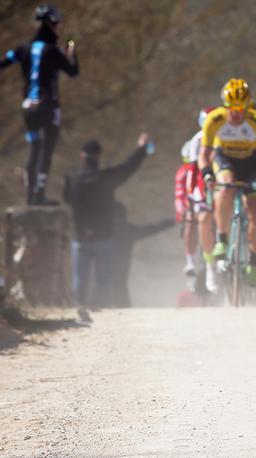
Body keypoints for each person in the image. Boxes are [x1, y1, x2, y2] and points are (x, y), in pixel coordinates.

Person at [63, 133, 153, 321]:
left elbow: (66, 199)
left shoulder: (72, 181)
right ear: (98, 156)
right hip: (103, 237)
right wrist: (141, 149)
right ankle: (102, 314)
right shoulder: (106, 178)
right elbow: (129, 167)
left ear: (82, 156)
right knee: (103, 281)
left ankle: (79, 309)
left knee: (80, 281)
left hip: (80, 237)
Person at [1, 4, 79, 205]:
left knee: (34, 148)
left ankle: (30, 197)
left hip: (28, 108)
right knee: (48, 149)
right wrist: (72, 52)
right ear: (50, 25)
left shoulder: (23, 49)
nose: (58, 28)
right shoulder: (53, 51)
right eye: (56, 24)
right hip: (48, 106)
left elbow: (4, 62)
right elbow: (73, 72)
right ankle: (39, 194)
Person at [199, 79, 256, 292]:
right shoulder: (215, 120)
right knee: (226, 186)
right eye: (231, 108)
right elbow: (205, 154)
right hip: (225, 160)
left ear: (248, 106)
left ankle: (254, 261)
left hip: (252, 163)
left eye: (241, 109)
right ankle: (222, 238)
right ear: (224, 106)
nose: (236, 113)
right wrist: (207, 174)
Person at [175, 108, 214, 285]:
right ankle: (190, 261)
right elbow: (191, 173)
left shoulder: (226, 135)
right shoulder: (197, 140)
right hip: (202, 187)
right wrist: (189, 202)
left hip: (221, 184)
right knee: (192, 220)